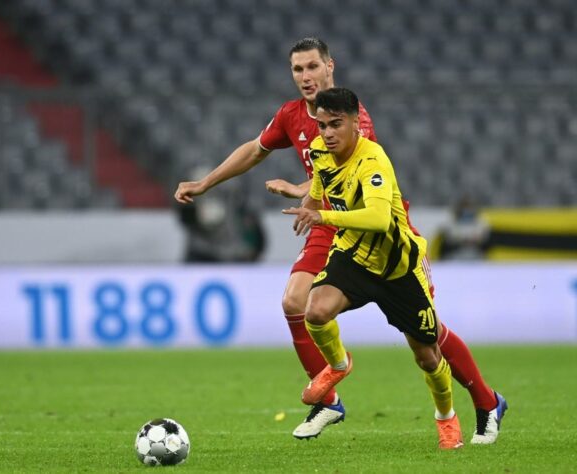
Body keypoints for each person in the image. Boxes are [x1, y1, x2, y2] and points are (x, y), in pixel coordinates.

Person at [174, 37, 506, 444]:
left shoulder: (351, 117)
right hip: (331, 226)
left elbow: (346, 168)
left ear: (330, 66)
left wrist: (305, 190)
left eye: (312, 66)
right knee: (296, 301)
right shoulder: (292, 115)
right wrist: (206, 183)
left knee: (427, 342)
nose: (305, 76)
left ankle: (487, 401)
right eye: (298, 69)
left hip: (375, 229)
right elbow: (256, 151)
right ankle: (328, 398)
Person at [283, 87, 507, 449]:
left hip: (397, 266)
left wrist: (320, 214)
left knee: (427, 354)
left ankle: (447, 417)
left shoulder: (373, 161)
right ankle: (339, 365)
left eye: (336, 124)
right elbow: (321, 183)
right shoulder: (321, 152)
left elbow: (376, 216)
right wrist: (304, 198)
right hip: (353, 255)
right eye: (322, 125)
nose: (327, 133)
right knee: (316, 310)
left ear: (357, 123)